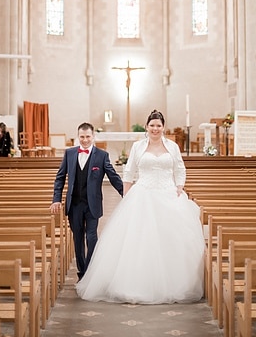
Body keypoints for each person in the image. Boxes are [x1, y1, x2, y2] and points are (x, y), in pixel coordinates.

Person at [75, 110, 205, 304]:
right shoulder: (138, 146)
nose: (155, 128)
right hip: (142, 194)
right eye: (152, 125)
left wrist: (179, 188)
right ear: (146, 127)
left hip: (168, 194)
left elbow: (179, 168)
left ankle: (172, 282)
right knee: (139, 239)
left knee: (170, 239)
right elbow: (129, 172)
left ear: (163, 127)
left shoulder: (172, 146)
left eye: (158, 125)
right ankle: (135, 283)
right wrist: (126, 195)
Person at [50, 122, 123, 281]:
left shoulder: (102, 155)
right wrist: (56, 199)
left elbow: (113, 177)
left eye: (88, 137)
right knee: (78, 238)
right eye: (82, 137)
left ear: (93, 136)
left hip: (92, 204)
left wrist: (126, 193)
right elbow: (60, 178)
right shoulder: (69, 154)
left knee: (91, 237)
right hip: (74, 204)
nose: (84, 140)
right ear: (78, 137)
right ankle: (82, 272)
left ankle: (90, 271)